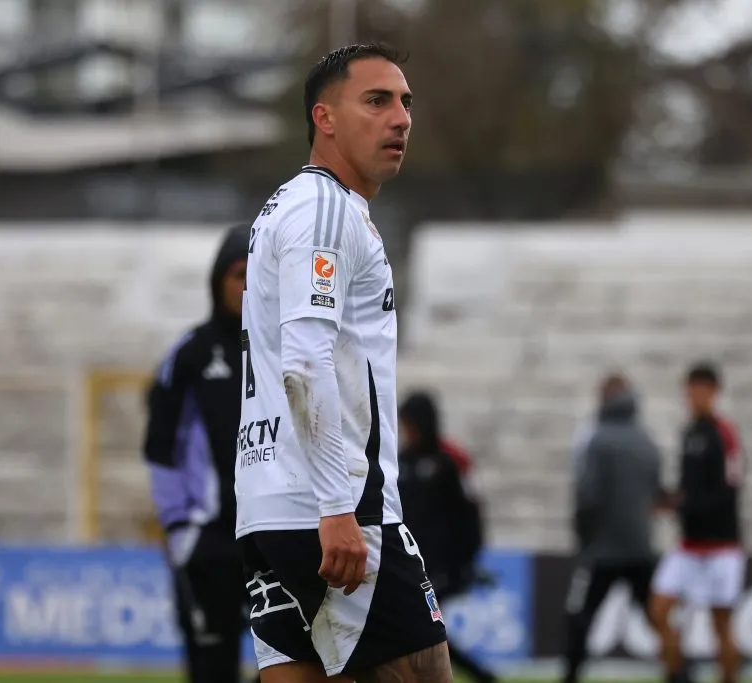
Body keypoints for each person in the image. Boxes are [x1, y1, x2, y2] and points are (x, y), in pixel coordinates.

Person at [235, 43, 452, 683]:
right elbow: (305, 361)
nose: (402, 118)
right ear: (324, 118)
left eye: (406, 103)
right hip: (333, 509)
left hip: (268, 506)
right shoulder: (325, 208)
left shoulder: (285, 207)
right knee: (424, 672)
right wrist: (338, 507)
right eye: (377, 100)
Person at [143, 224, 252, 683]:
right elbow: (160, 447)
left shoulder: (291, 347)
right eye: (238, 275)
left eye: (258, 275)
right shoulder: (190, 355)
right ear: (217, 282)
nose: (248, 287)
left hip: (276, 538)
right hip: (210, 543)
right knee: (211, 668)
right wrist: (180, 529)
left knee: (304, 663)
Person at [562, 373, 667, 683]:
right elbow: (657, 496)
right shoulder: (647, 440)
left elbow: (587, 496)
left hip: (602, 550)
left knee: (580, 620)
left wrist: (583, 541)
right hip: (640, 548)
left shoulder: (597, 440)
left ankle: (571, 676)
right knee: (658, 620)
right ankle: (681, 674)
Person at [649, 362, 745, 683]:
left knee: (721, 625)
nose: (693, 397)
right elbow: (687, 489)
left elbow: (727, 490)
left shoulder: (724, 433)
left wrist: (683, 505)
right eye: (689, 390)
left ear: (714, 392)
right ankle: (678, 673)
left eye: (700, 390)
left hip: (720, 546)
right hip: (689, 546)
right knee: (658, 609)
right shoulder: (689, 432)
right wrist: (668, 500)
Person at [397, 391, 496, 683]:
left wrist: (465, 562)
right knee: (422, 630)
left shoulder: (451, 461)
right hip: (410, 564)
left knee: (422, 629)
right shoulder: (399, 461)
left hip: (441, 567)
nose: (407, 432)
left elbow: (471, 514)